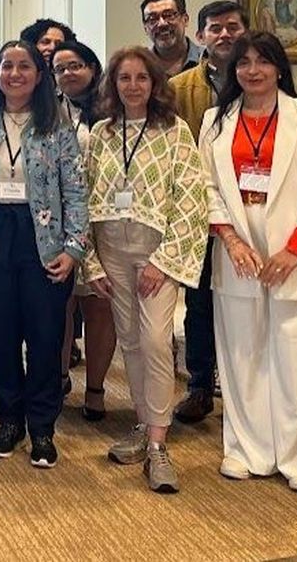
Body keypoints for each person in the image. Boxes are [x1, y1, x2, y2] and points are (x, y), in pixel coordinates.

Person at [199, 30, 297, 493]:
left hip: (295, 251)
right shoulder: (214, 121)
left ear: (280, 67)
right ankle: (247, 449)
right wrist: (232, 240)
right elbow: (207, 188)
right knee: (243, 355)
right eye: (243, 62)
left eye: (262, 61)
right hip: (238, 249)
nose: (252, 70)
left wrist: (294, 248)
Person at [0, 39, 89, 469]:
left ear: (39, 75)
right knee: (1, 335)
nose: (14, 73)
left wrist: (75, 247)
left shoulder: (56, 125)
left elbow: (76, 190)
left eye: (24, 66)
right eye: (6, 66)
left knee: (45, 337)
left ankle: (42, 427)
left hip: (43, 239)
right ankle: (9, 420)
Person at [82, 46, 209, 493]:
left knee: (157, 340)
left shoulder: (174, 132)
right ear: (113, 85)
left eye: (141, 78)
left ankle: (159, 445)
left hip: (156, 253)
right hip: (112, 248)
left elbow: (193, 201)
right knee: (132, 342)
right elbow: (83, 198)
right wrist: (92, 261)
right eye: (124, 78)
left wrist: (164, 259)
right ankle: (144, 424)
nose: (133, 86)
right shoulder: (100, 133)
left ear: (155, 84)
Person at [168, 0, 249, 424]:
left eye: (232, 27)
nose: (224, 35)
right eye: (214, 28)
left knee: (247, 302)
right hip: (198, 212)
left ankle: (245, 390)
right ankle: (200, 385)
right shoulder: (180, 88)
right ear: (199, 36)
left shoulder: (260, 80)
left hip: (253, 213)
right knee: (200, 304)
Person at [52, 41, 115, 420]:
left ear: (92, 67)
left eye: (74, 65)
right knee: (59, 306)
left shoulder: (114, 110)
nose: (67, 74)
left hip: (105, 221)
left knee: (99, 306)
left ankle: (96, 387)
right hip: (58, 222)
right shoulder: (50, 111)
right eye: (59, 69)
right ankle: (58, 377)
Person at [141, 0, 206, 77]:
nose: (161, 24)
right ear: (145, 28)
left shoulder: (208, 60)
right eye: (152, 19)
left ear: (185, 19)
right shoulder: (140, 66)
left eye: (168, 15)